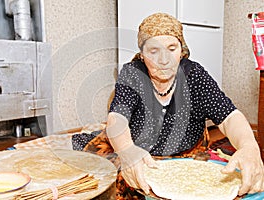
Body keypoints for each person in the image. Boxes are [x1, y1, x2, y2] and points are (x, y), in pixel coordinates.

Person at [105, 12, 264, 198]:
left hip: (189, 157)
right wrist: (127, 151)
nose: (164, 60)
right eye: (153, 51)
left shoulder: (194, 75)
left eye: (171, 48)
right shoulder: (132, 74)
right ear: (142, 54)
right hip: (141, 158)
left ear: (182, 50)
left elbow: (229, 117)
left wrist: (249, 147)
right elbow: (117, 118)